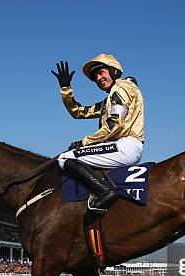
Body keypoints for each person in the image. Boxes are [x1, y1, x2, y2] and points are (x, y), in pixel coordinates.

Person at [52, 54, 144, 213]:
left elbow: (114, 123)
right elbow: (79, 112)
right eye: (95, 77)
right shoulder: (109, 100)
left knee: (65, 157)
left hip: (125, 145)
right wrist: (66, 89)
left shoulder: (121, 88)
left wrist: (85, 142)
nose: (98, 78)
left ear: (114, 71)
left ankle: (104, 192)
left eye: (101, 72)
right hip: (121, 146)